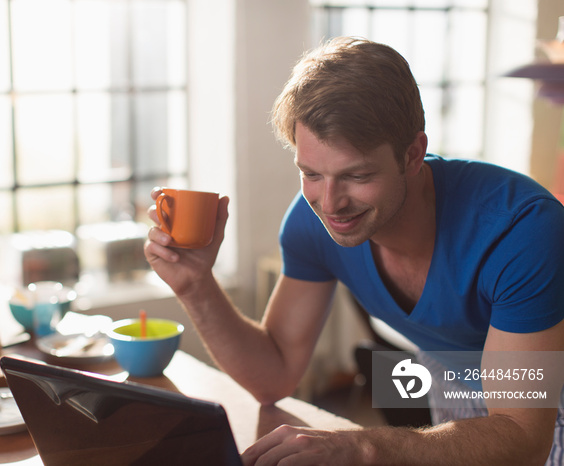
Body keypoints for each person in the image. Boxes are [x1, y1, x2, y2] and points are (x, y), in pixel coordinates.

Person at [144, 37, 564, 465]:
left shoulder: (521, 230)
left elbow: (524, 435)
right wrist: (196, 284)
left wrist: (364, 445)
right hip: (458, 388)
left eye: (357, 175)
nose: (330, 204)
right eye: (310, 173)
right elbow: (275, 373)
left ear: (414, 154)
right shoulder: (313, 222)